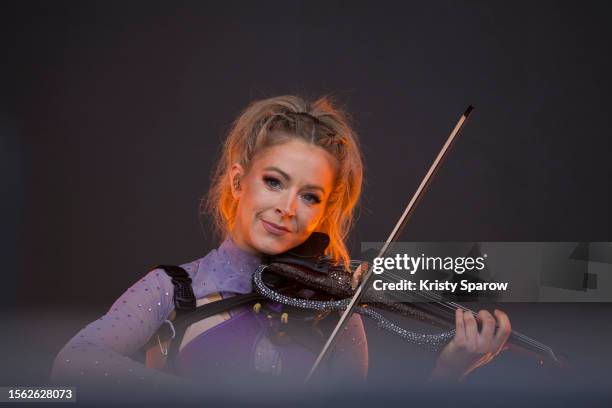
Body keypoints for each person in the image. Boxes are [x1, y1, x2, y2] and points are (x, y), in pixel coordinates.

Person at [50, 95, 511, 391]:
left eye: (309, 196)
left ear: (324, 210)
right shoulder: (173, 288)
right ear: (237, 181)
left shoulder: (333, 310)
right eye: (274, 182)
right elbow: (71, 366)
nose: (288, 207)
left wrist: (450, 372)